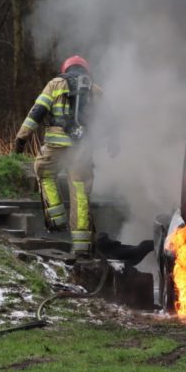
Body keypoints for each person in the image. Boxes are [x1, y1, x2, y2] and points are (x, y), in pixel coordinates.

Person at [13, 55, 113, 257]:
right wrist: (114, 142)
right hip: (82, 149)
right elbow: (109, 119)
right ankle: (82, 246)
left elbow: (37, 112)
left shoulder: (55, 84)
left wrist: (22, 137)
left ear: (65, 68)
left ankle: (56, 219)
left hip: (56, 145)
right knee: (80, 191)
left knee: (44, 171)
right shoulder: (95, 89)